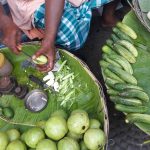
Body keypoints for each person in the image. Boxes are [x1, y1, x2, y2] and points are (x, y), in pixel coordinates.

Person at [0, 0, 119, 72]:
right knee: (69, 36)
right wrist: (5, 22)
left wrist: (49, 38)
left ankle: (107, 17)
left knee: (58, 30)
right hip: (32, 3)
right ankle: (60, 46)